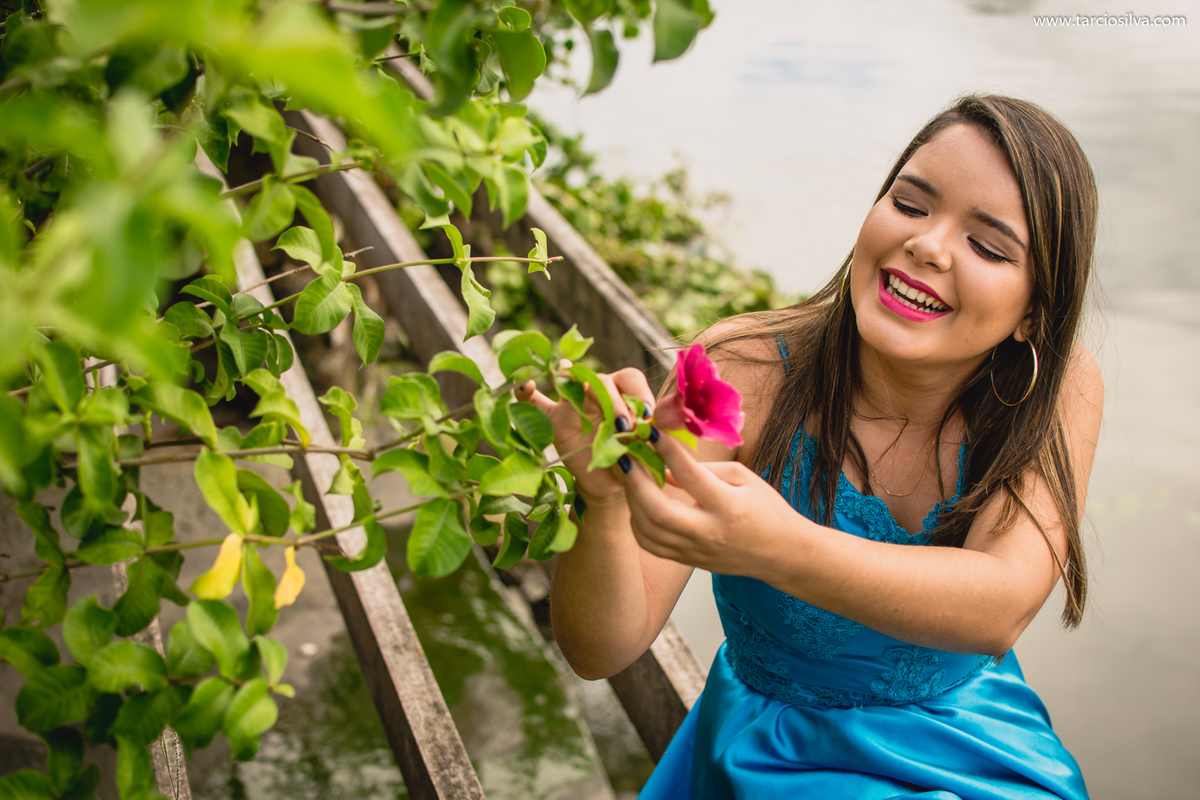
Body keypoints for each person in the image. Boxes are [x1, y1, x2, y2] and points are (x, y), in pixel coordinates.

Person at [516, 94, 1102, 799]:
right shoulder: (743, 370)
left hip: (971, 741)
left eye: (986, 245)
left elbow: (999, 606)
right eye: (910, 204)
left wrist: (777, 546)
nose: (927, 244)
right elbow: (600, 648)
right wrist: (603, 502)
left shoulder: (1059, 387)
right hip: (780, 756)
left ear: (1034, 310)